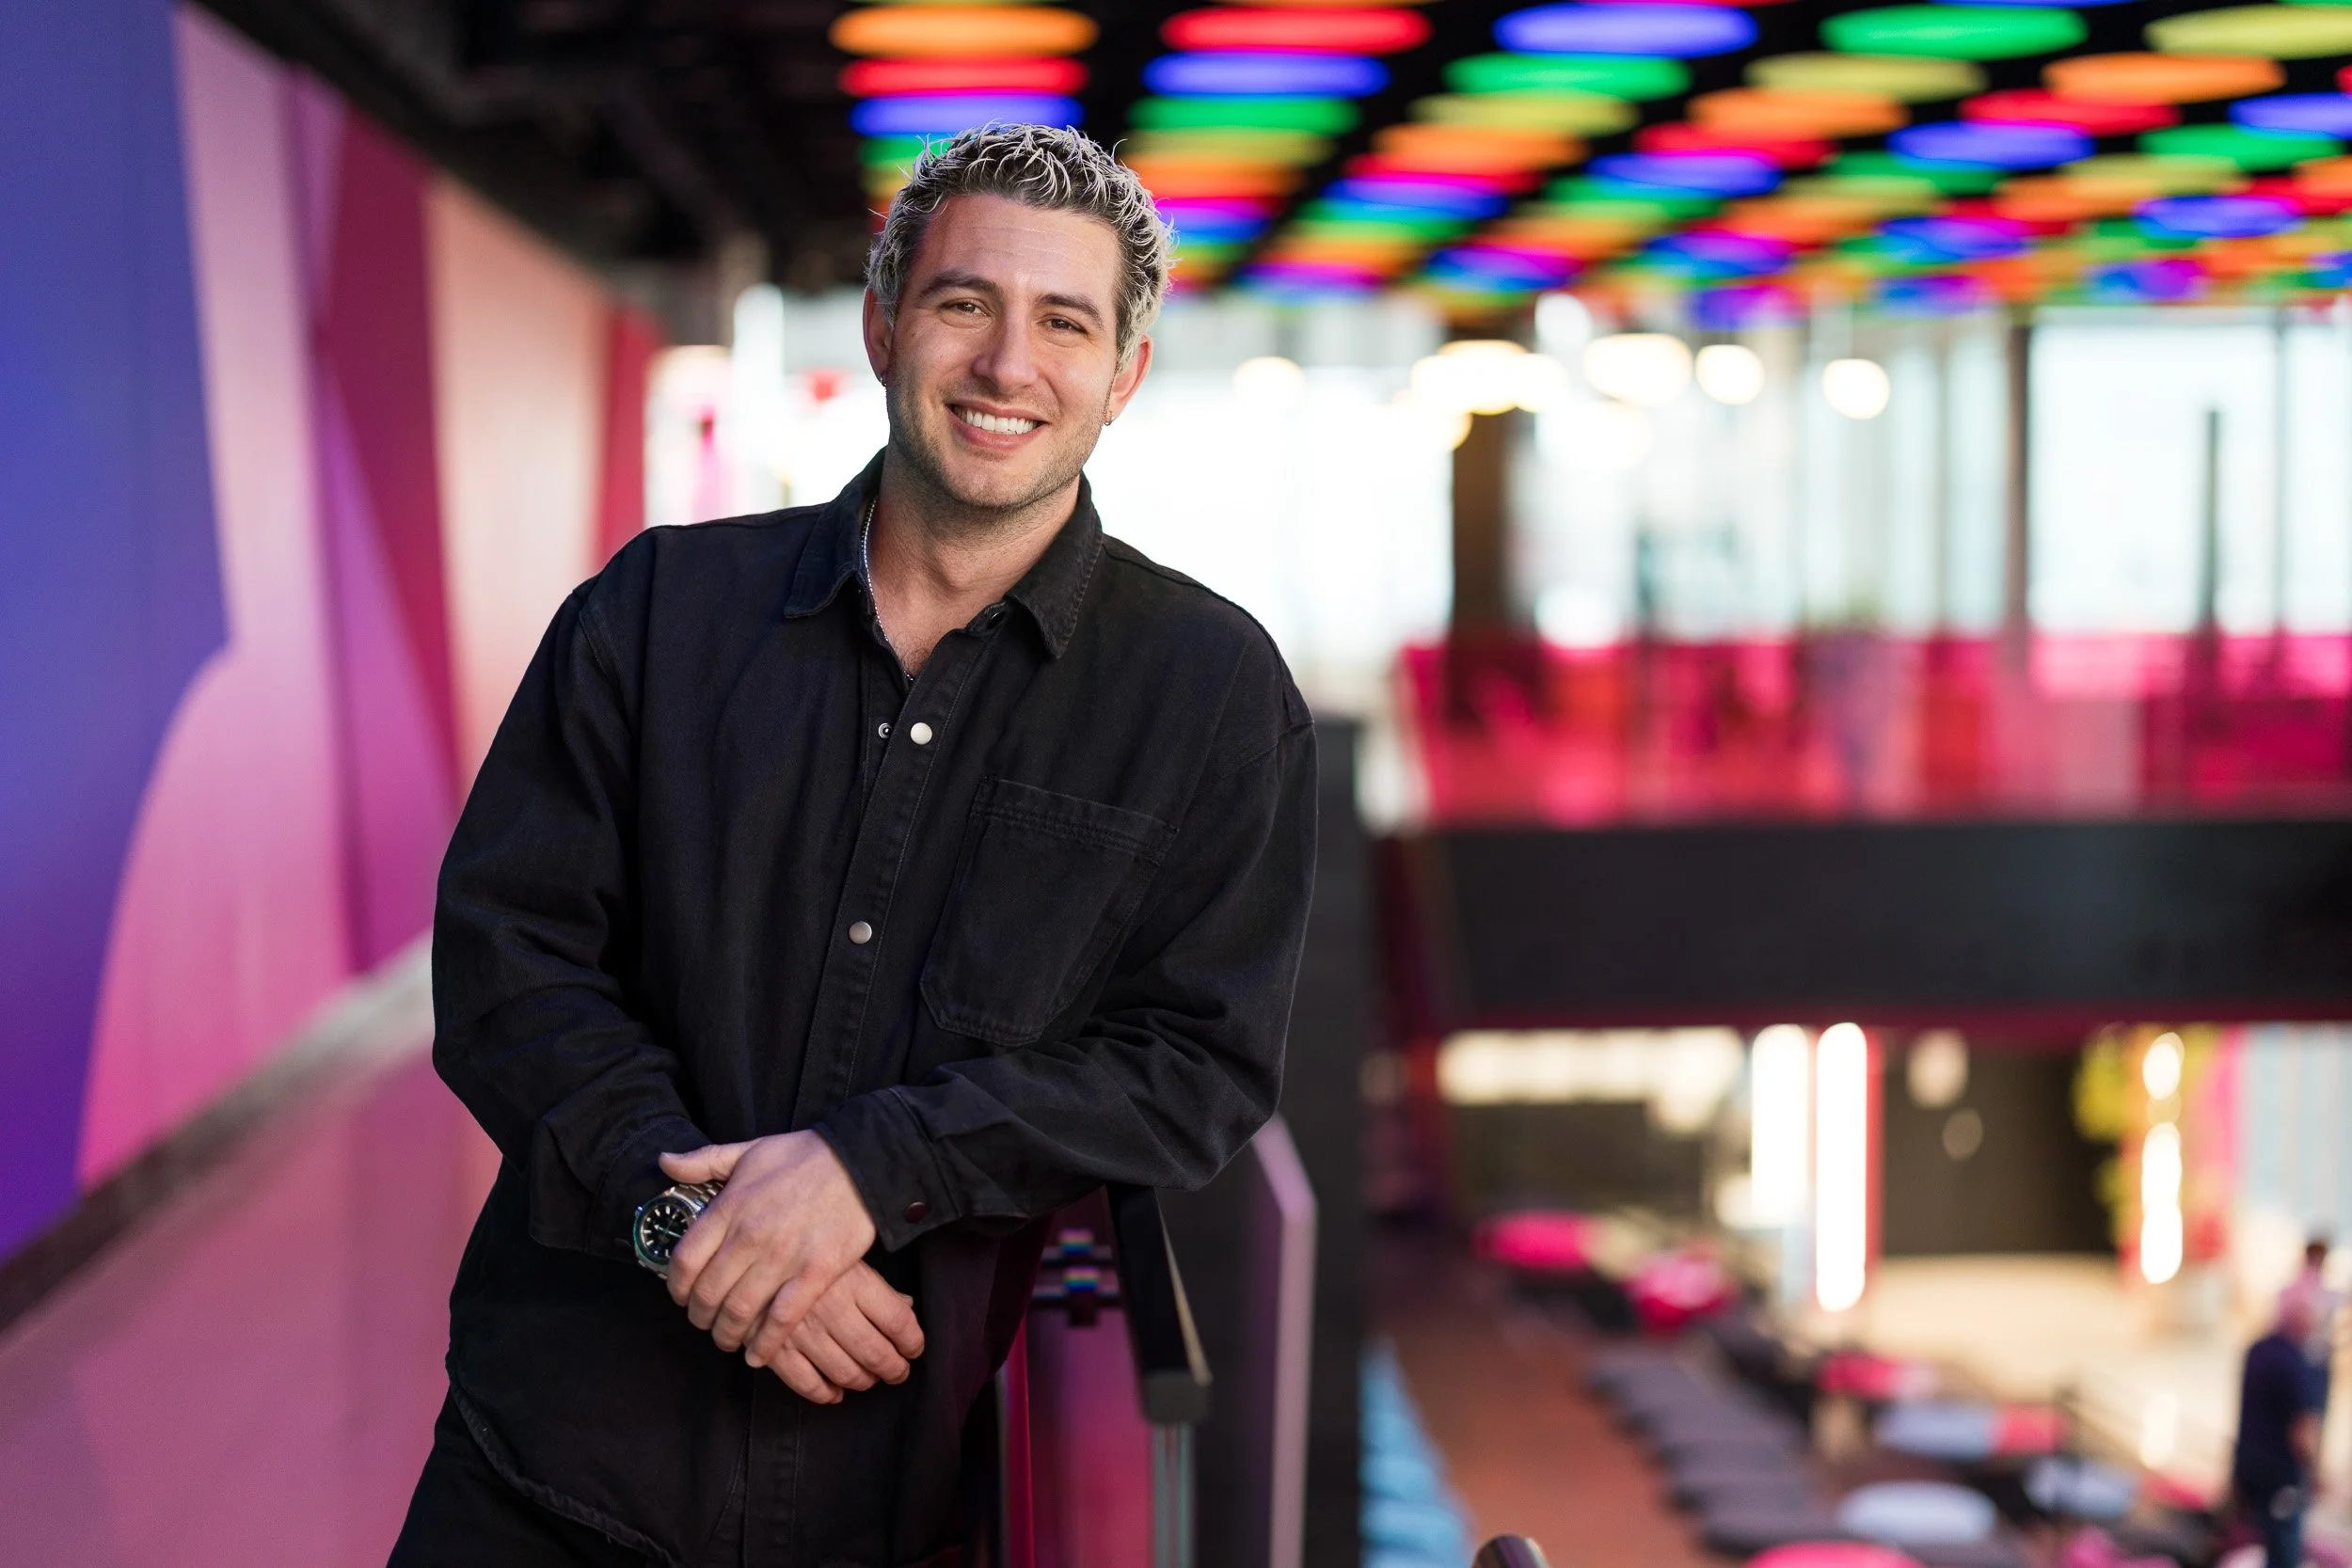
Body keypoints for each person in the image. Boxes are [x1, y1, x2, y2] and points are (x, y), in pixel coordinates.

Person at [389, 124, 1317, 1567]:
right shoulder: (655, 614)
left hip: (899, 1494)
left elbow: (1194, 1060)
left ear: (1122, 373)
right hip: (552, 1470)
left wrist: (873, 1163)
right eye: (964, 303)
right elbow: (512, 963)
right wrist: (682, 1226)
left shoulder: (1209, 696)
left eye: (1064, 322)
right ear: (885, 325)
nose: (1009, 364)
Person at [2233, 1291, 2326, 1568]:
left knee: (2251, 1537)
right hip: (2280, 1476)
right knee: (2283, 1550)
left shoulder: (2256, 1351)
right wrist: (2317, 1474)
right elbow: (2303, 1432)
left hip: (2249, 1465)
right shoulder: (2296, 1364)